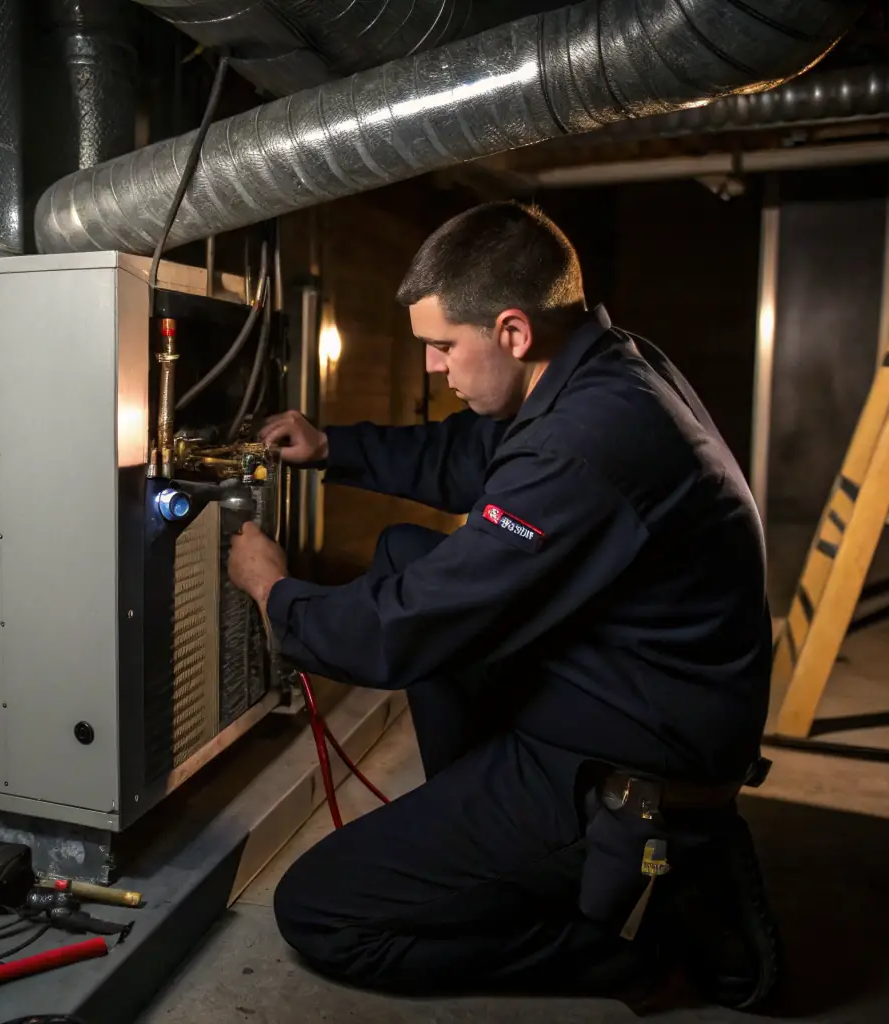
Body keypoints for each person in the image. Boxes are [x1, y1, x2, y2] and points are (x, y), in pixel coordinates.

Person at [226, 201, 779, 1010]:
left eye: (442, 347)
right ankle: (499, 844)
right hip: (637, 694)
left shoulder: (587, 441)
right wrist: (333, 447)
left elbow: (407, 628)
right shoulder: (602, 370)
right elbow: (470, 453)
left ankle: (638, 949)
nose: (432, 369)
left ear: (513, 331)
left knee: (321, 911)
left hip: (627, 759)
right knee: (408, 553)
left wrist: (273, 591)